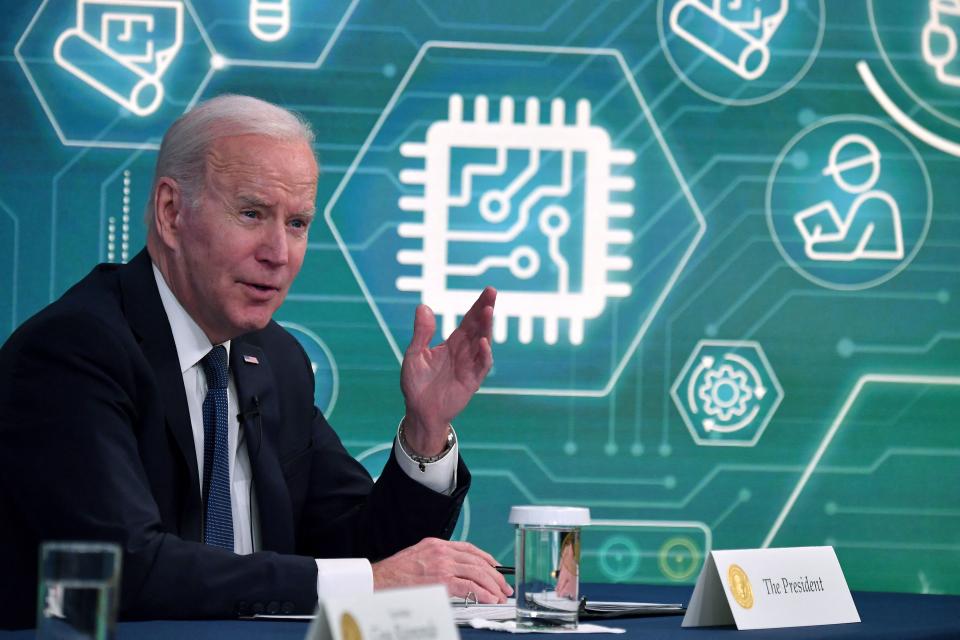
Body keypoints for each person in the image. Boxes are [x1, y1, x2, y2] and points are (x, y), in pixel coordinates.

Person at [0, 94, 511, 629]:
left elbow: (366, 549)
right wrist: (367, 581)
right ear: (171, 213)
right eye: (252, 214)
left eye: (297, 223)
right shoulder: (74, 351)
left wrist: (425, 433)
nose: (279, 252)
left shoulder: (276, 359)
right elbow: (128, 567)